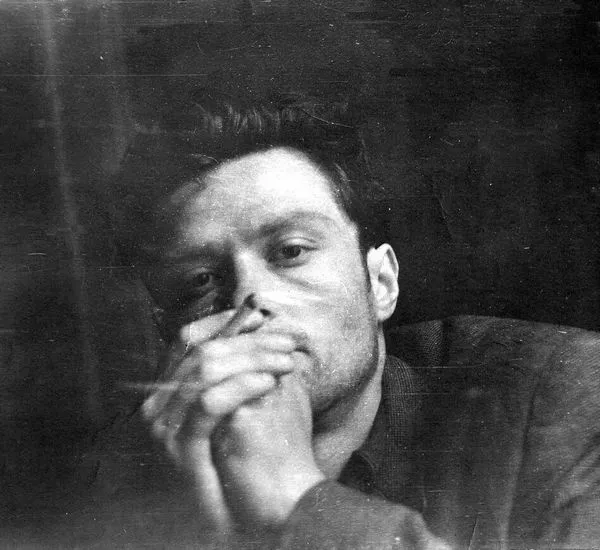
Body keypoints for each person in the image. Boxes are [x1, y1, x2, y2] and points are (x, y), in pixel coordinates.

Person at [88, 92, 600, 549]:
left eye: (291, 250)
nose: (249, 298)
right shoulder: (126, 474)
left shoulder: (566, 391)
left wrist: (297, 502)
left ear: (380, 283)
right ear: (169, 332)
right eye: (199, 280)